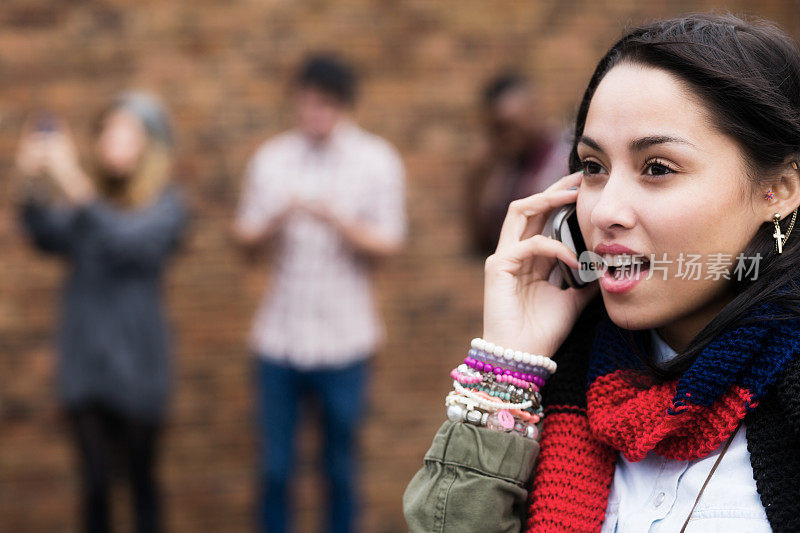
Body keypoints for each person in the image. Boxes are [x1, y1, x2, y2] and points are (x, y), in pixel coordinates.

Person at [404, 13, 800, 532]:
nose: (604, 210)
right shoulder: (559, 381)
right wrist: (507, 371)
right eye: (593, 168)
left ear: (779, 191)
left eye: (657, 168)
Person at [231, 53, 406, 533]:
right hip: (278, 340)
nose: (313, 115)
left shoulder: (376, 160)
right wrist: (276, 219)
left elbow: (388, 243)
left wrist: (339, 222)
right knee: (274, 470)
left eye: (323, 105)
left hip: (346, 341)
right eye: (305, 104)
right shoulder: (272, 158)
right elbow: (242, 240)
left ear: (344, 106)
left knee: (340, 469)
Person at [15, 91, 188, 533]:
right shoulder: (83, 204)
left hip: (139, 365)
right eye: (107, 129)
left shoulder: (166, 205)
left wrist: (71, 179)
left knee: (141, 483)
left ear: (151, 145)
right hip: (85, 364)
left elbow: (126, 239)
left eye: (125, 131)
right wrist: (31, 179)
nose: (112, 139)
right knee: (94, 488)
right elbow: (44, 235)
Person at [465, 72, 571, 256]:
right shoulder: (503, 173)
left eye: (510, 125)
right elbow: (482, 244)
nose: (506, 136)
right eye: (497, 129)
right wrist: (476, 179)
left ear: (532, 110)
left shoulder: (567, 158)